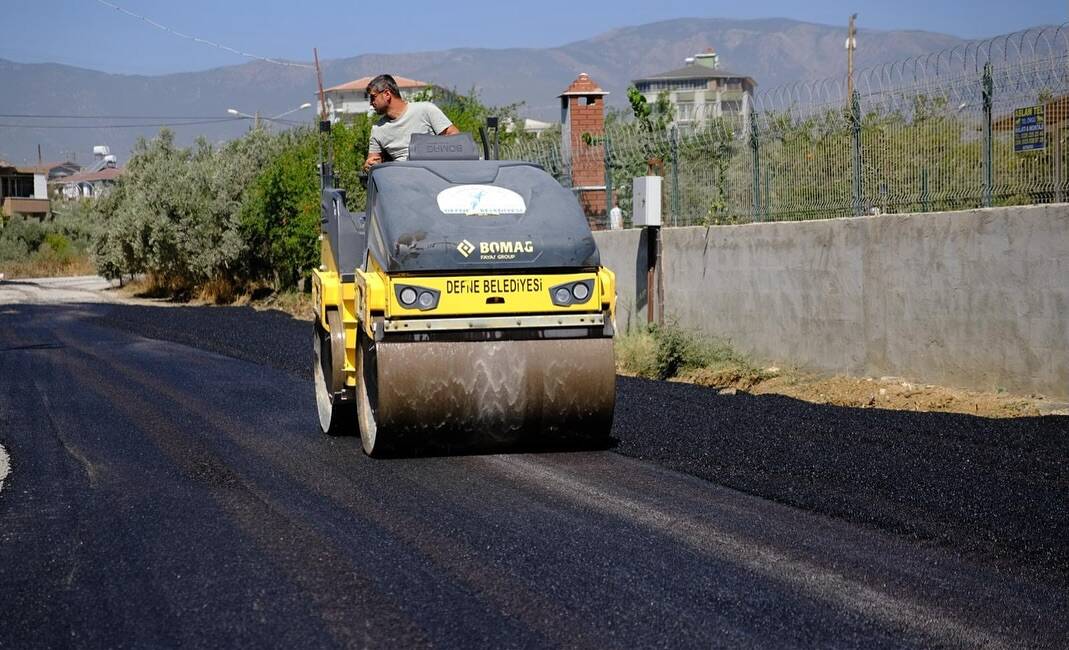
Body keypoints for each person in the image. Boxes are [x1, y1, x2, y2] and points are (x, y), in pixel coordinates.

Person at [363, 74, 460, 172]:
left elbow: (455, 137)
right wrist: (370, 165)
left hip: (434, 174)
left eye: (373, 97)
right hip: (400, 180)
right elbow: (374, 160)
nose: (371, 103)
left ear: (387, 94)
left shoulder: (426, 110)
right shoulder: (377, 129)